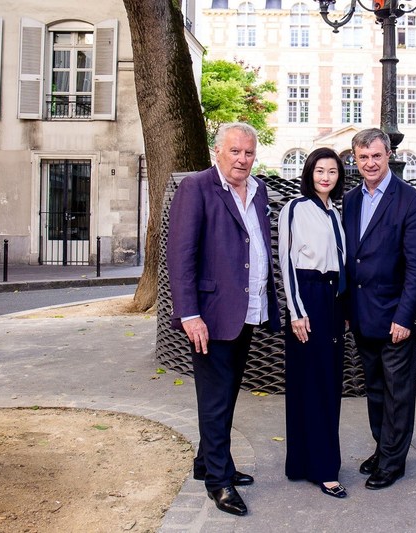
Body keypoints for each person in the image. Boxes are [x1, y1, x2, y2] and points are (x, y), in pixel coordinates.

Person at [167, 122, 281, 516]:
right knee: (215, 400)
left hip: (247, 311)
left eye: (249, 153)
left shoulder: (259, 190)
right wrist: (190, 314)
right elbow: (180, 257)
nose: (242, 160)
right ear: (218, 151)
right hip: (210, 316)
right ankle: (219, 481)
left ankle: (209, 462)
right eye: (235, 151)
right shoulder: (196, 187)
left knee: (228, 393)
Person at [342, 128, 416, 490]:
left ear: (389, 154)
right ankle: (383, 448)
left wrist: (405, 316)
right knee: (375, 389)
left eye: (376, 156)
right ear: (355, 159)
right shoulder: (349, 200)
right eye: (363, 158)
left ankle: (393, 462)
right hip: (363, 314)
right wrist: (347, 307)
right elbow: (350, 257)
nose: (370, 163)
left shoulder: (411, 201)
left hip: (396, 315)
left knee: (398, 392)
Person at [278, 147, 348, 499]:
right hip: (308, 297)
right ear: (309, 172)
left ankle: (305, 462)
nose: (326, 177)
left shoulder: (336, 212)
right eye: (320, 170)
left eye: (332, 171)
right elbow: (286, 262)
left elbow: (344, 263)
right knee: (311, 383)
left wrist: (344, 306)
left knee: (328, 383)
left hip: (334, 300)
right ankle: (324, 469)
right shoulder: (294, 208)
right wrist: (296, 311)